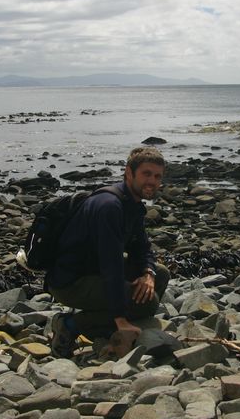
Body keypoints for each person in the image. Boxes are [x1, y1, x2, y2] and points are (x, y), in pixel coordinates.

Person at [46, 146, 170, 358]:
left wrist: (148, 273)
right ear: (129, 173)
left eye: (157, 176)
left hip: (94, 271)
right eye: (146, 174)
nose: (152, 181)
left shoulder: (133, 204)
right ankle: (69, 325)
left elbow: (142, 248)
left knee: (161, 275)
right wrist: (121, 320)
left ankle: (106, 321)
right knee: (148, 303)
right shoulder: (110, 207)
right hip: (71, 282)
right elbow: (110, 265)